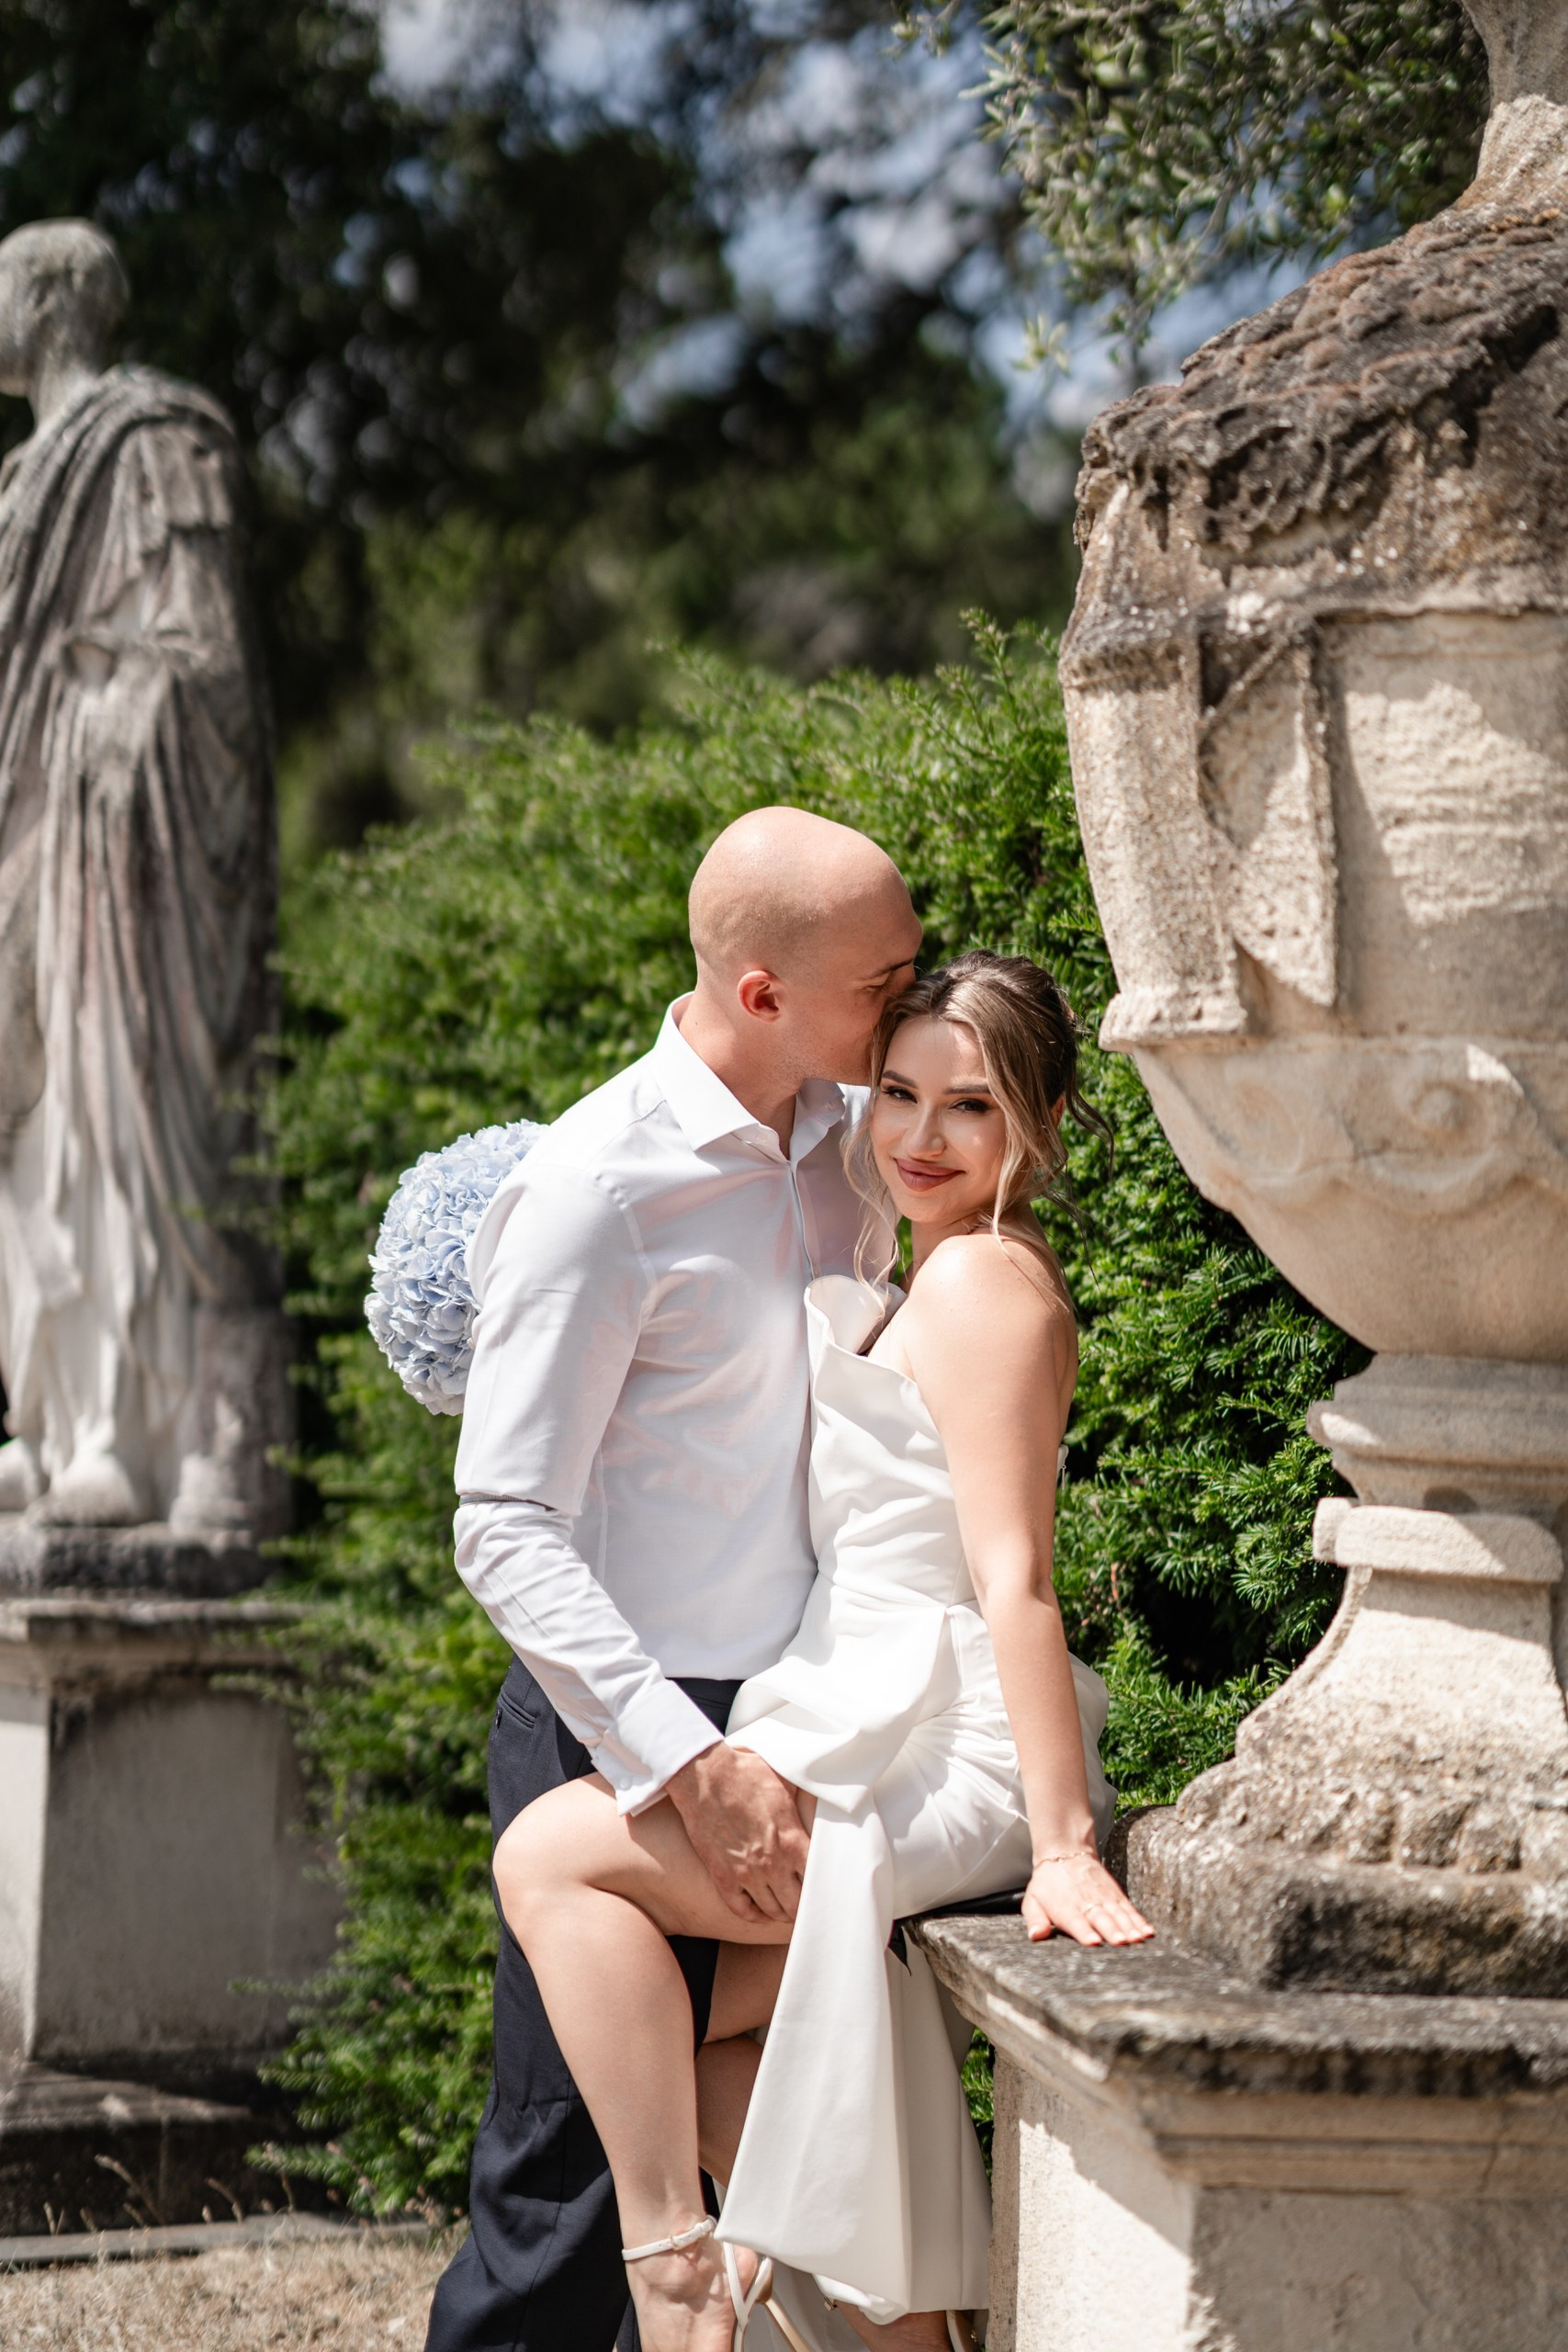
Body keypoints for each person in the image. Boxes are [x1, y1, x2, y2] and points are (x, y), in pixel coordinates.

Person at [493, 951, 1154, 2352]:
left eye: (971, 1107)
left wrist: (1062, 1844)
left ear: (1038, 1124)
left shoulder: (981, 1288)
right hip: (868, 1702)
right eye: (898, 1092)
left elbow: (1018, 1580)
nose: (920, 1135)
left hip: (940, 1732)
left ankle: (673, 2266)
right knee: (699, 2038)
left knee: (548, 1857)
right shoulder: (928, 1264)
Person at [423, 805, 924, 2352]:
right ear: (763, 993)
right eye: (882, 984)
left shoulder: (867, 1145)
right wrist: (685, 1761)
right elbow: (503, 1519)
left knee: (781, 2150)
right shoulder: (598, 1188)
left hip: (807, 1717)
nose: (909, 1004)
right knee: (567, 2202)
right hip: (624, 1735)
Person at [0, 218, 281, 1533]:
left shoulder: (155, 440)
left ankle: (149, 1435)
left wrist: (112, 711)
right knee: (33, 1114)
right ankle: (53, 1418)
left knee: (120, 1109)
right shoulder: (22, 479)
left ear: (52, 297)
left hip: (121, 837)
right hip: (31, 834)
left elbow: (206, 657)